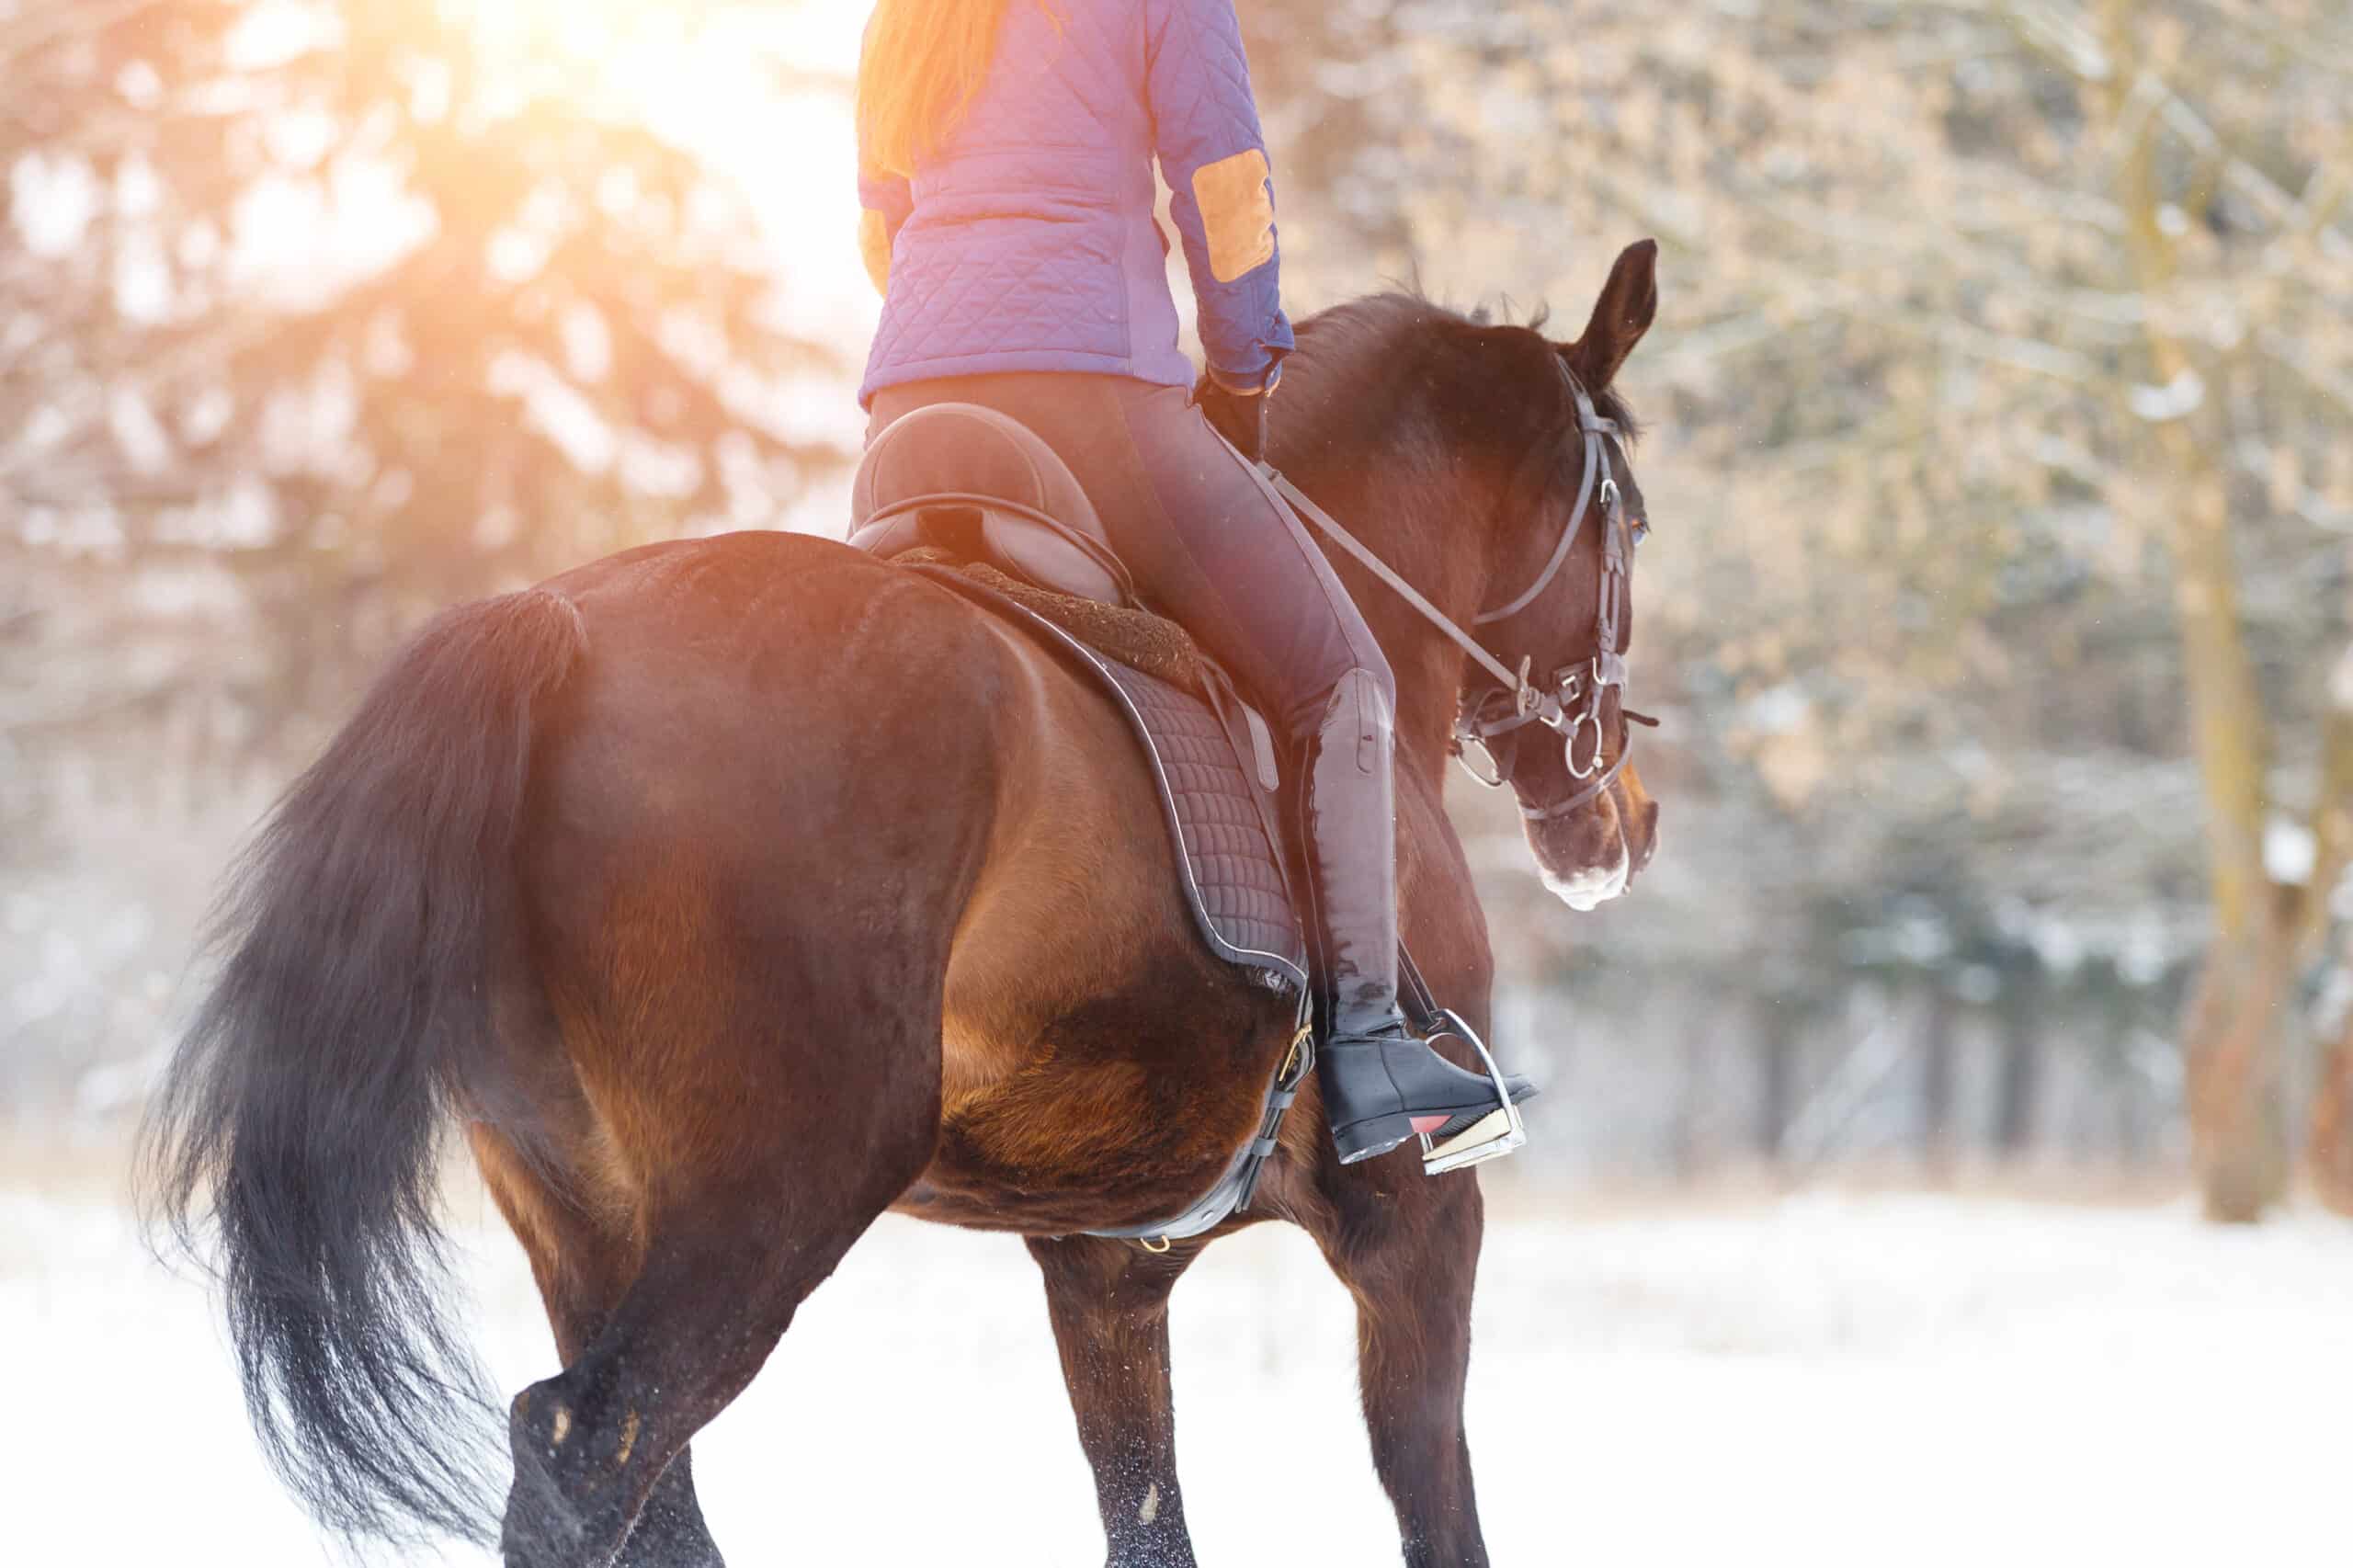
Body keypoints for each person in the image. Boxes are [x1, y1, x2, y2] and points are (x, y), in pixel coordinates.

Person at [855, 0, 1533, 1165]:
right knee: (1342, 685)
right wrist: (1241, 371)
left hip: (909, 407)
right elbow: (1223, 187)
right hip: (1092, 391)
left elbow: (880, 220)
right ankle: (1369, 1048)